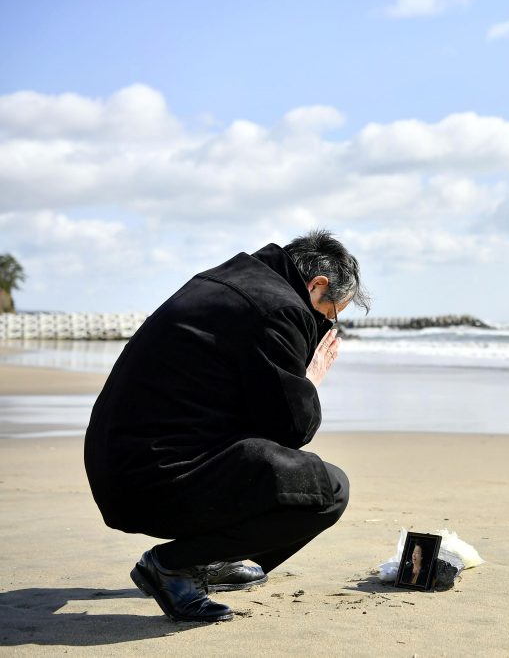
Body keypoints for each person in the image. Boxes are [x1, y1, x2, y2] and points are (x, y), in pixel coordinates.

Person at [84, 229, 369, 622]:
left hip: (121, 468)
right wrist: (311, 378)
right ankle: (173, 565)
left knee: (275, 464)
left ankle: (209, 559)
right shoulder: (278, 308)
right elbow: (291, 430)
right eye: (331, 314)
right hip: (152, 481)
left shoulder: (226, 281)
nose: (325, 325)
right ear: (316, 284)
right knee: (328, 491)